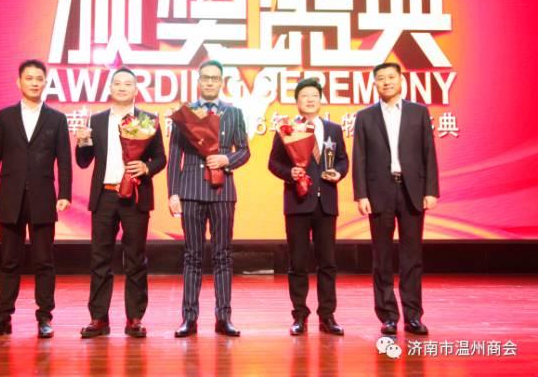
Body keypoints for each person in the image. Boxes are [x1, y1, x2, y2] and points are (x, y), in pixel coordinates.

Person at [0, 59, 72, 339]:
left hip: (43, 198)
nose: (34, 83)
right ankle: (2, 318)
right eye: (29, 78)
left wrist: (64, 194)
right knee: (9, 261)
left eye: (39, 78)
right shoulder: (4, 117)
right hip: (9, 197)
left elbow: (64, 160)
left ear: (45, 83)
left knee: (44, 261)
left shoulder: (56, 119)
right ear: (19, 82)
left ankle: (44, 318)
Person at [76, 67, 166, 338]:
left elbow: (160, 158)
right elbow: (84, 161)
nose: (123, 87)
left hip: (136, 195)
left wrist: (146, 168)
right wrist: (82, 142)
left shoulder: (148, 120)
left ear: (136, 89)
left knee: (135, 258)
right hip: (104, 195)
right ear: (110, 88)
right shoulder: (96, 120)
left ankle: (134, 318)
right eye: (118, 83)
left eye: (128, 84)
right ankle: (98, 319)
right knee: (99, 258)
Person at [352, 62, 439, 335]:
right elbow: (359, 158)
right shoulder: (365, 116)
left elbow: (429, 152)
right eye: (381, 78)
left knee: (412, 257)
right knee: (382, 257)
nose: (387, 82)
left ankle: (413, 316)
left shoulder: (418, 112)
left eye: (391, 77)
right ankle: (388, 316)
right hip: (379, 191)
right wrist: (361, 194)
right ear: (374, 84)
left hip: (412, 190)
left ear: (401, 81)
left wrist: (431, 190)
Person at [167, 60, 250, 337]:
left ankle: (223, 318)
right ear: (199, 81)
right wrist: (173, 193)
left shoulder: (234, 113)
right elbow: (174, 157)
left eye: (215, 78)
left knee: (222, 255)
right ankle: (189, 319)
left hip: (223, 191)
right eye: (206, 77)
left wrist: (227, 159)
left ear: (222, 82)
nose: (210, 82)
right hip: (190, 190)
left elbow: (245, 151)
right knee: (192, 255)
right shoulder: (185, 114)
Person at [268, 77, 348, 336]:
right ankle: (300, 315)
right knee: (298, 263)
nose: (310, 99)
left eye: (314, 95)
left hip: (326, 203)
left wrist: (338, 172)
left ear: (320, 99)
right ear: (297, 101)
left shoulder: (334, 129)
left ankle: (327, 316)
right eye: (304, 96)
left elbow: (343, 160)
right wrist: (288, 173)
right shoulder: (287, 129)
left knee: (328, 263)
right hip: (298, 202)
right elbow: (273, 163)